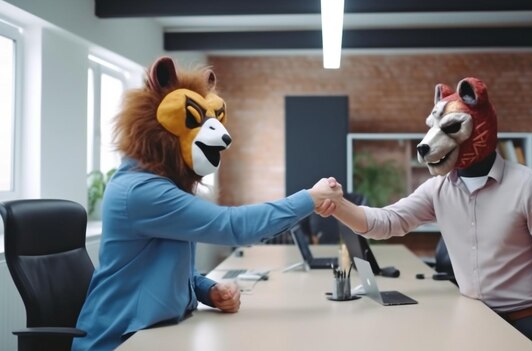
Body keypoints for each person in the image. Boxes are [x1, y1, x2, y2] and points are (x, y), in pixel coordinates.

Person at [72, 57, 343, 351]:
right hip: (116, 342)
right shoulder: (140, 191)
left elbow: (165, 269)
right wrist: (310, 198)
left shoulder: (161, 186)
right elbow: (231, 226)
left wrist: (207, 289)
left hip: (154, 335)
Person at [318, 77, 532, 351]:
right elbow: (387, 222)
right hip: (475, 317)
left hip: (527, 320)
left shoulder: (529, 185)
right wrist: (338, 205)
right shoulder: (438, 188)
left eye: (451, 128)